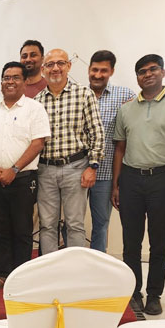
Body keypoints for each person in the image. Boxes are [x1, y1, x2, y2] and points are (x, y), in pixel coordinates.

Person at [112, 54, 165, 316]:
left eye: (153, 69)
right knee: (130, 242)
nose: (147, 74)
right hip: (131, 179)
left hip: (164, 178)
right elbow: (120, 149)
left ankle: (155, 294)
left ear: (162, 72)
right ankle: (133, 292)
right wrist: (115, 185)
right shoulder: (126, 109)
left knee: (159, 241)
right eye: (142, 71)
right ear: (137, 77)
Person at [0, 61, 50, 291]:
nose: (10, 82)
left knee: (22, 230)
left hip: (22, 179)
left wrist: (13, 170)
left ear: (24, 81)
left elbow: (38, 143)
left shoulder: (34, 109)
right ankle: (4, 275)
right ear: (0, 83)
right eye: (6, 77)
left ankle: (21, 278)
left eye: (15, 77)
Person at [35, 48, 104, 255]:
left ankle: (75, 269)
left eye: (60, 63)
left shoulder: (84, 94)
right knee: (47, 224)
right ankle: (51, 269)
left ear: (69, 66)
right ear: (43, 70)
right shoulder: (37, 101)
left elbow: (97, 132)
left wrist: (93, 166)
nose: (55, 68)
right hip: (46, 169)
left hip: (76, 167)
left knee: (75, 224)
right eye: (50, 65)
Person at [86, 51, 136, 253]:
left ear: (112, 71)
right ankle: (73, 261)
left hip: (106, 173)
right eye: (94, 70)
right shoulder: (78, 94)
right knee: (71, 221)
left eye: (103, 70)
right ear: (88, 69)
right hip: (76, 171)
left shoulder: (125, 96)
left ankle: (97, 263)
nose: (98, 75)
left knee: (101, 223)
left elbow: (148, 105)